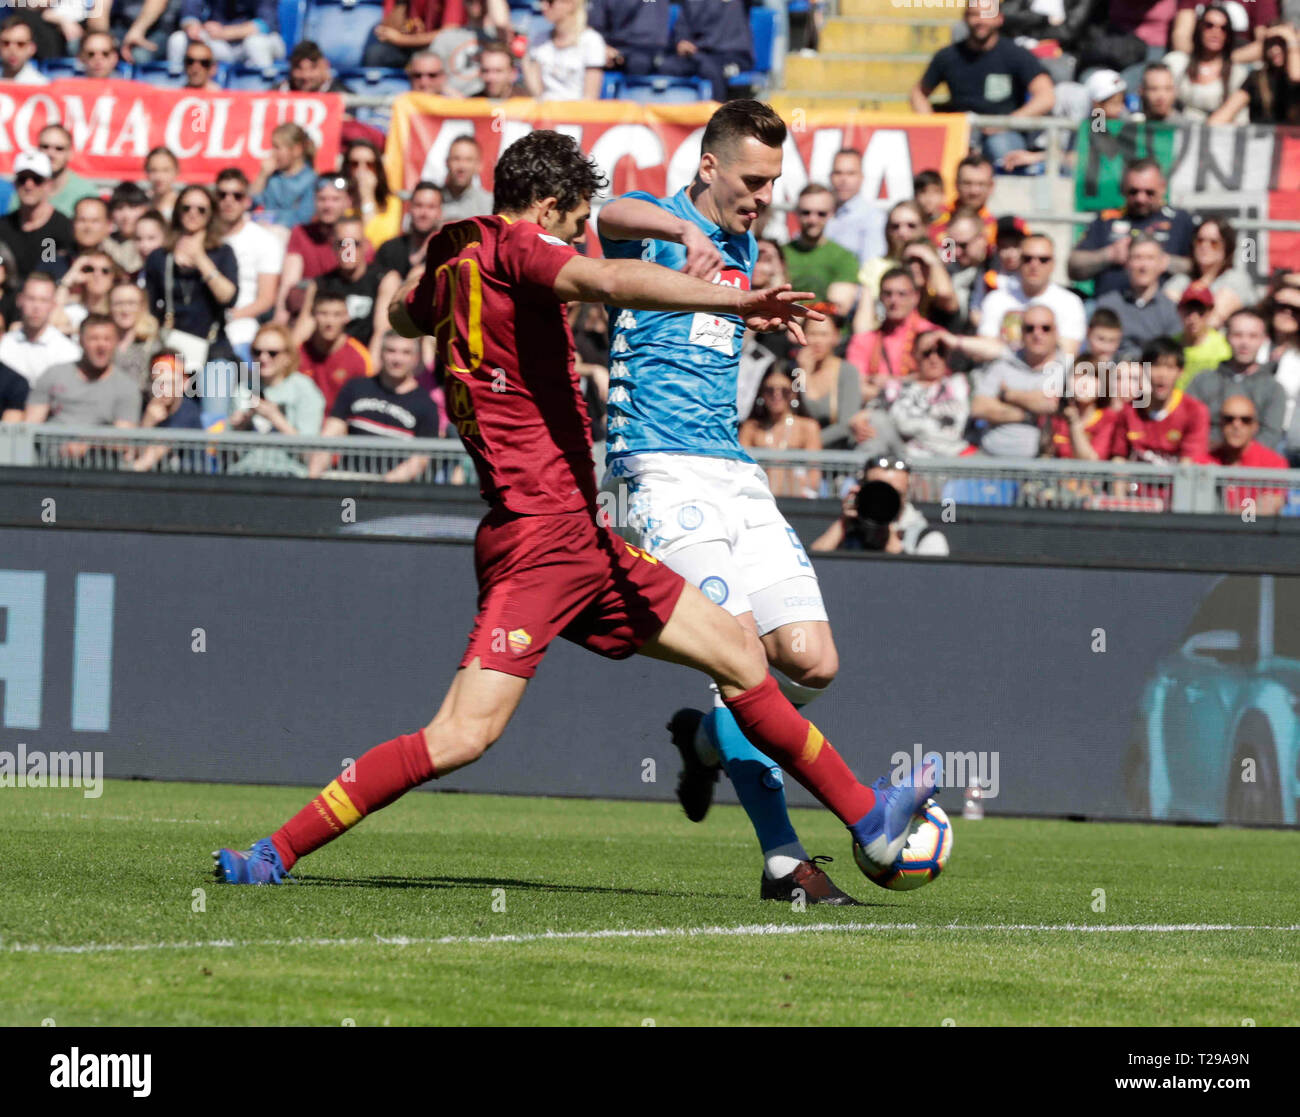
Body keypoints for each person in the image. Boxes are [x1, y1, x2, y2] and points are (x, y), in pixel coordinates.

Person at [214, 128, 939, 889]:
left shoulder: (458, 264)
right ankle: (274, 851)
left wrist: (436, 288)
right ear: (549, 208)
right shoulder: (519, 248)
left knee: (741, 656)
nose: (574, 239)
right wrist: (736, 299)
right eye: (571, 222)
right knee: (461, 734)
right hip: (543, 542)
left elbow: (400, 313)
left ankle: (868, 819)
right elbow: (612, 281)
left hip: (574, 536)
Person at [595, 103, 889, 903]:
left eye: (773, 182)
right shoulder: (656, 224)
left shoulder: (747, 240)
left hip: (733, 470)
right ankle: (785, 861)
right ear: (709, 169)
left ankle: (708, 740)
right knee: (742, 663)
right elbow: (606, 211)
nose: (764, 195)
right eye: (753, 180)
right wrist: (681, 231)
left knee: (813, 660)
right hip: (659, 472)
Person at [910, 2, 1054, 167]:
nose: (980, 20)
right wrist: (932, 126)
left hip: (1004, 133)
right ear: (965, 18)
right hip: (961, 130)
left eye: (986, 15)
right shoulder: (948, 56)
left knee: (1002, 152)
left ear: (999, 19)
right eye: (974, 14)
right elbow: (918, 93)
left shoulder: (1016, 54)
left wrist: (1007, 123)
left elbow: (1046, 96)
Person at [308, 331, 440, 482]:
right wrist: (312, 480)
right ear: (381, 353)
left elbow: (421, 459)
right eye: (391, 351)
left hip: (392, 491)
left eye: (406, 353)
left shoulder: (426, 405)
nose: (397, 359)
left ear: (416, 358)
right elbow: (330, 435)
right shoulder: (355, 387)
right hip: (348, 482)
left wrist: (380, 488)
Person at [1068, 158, 1194, 298]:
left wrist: (1163, 261)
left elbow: (1202, 268)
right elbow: (1073, 267)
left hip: (1162, 312)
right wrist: (1109, 255)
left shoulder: (1180, 220)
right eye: (1133, 192)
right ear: (1123, 188)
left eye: (1149, 192)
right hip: (1107, 312)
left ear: (1163, 187)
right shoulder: (1106, 219)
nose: (1140, 199)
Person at [970, 303, 1065, 458]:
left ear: (1056, 332)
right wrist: (1029, 414)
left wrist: (1008, 395)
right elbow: (979, 407)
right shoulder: (1003, 364)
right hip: (989, 458)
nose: (1037, 334)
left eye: (1045, 328)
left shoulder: (1067, 369)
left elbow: (1052, 405)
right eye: (1030, 328)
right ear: (1021, 332)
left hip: (1041, 465)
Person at [1187, 308, 1287, 446]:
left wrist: (1238, 456)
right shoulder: (1202, 381)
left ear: (1263, 340)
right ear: (1227, 337)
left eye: (1253, 336)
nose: (1244, 343)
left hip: (1253, 464)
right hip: (1206, 461)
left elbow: (1270, 435)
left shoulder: (1273, 389)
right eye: (1238, 335)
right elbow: (1189, 424)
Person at [810, 457, 948, 557]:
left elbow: (926, 584)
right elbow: (813, 565)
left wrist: (886, 533)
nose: (884, 500)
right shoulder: (847, 530)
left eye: (894, 493)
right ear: (862, 489)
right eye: (878, 492)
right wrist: (844, 522)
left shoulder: (927, 539)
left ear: (908, 493)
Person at [24, 315, 140, 431]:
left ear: (116, 343)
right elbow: (30, 426)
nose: (101, 345)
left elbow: (124, 439)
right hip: (49, 447)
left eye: (107, 339)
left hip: (99, 448)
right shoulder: (54, 374)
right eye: (94, 339)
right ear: (80, 341)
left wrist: (87, 442)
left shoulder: (126, 387)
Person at [217, 166, 283, 364]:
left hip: (241, 329)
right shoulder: (203, 237)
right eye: (222, 195)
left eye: (236, 195)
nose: (229, 200)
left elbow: (266, 298)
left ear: (247, 201)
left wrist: (228, 316)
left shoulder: (264, 240)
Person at [978, 233, 1086, 354]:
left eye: (1043, 259)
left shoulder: (1070, 303)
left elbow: (1068, 353)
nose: (1034, 265)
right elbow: (984, 349)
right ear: (1019, 261)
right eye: (1028, 259)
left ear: (1053, 263)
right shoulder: (996, 299)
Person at [1113, 337, 1210, 464]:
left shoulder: (1195, 411)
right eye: (1156, 366)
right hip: (1135, 483)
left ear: (1180, 372)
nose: (1162, 374)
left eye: (1170, 367)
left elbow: (1189, 465)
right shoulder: (1129, 411)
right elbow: (1119, 459)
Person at [297, 217, 384, 349]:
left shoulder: (382, 279)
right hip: (326, 360)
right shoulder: (320, 284)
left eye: (355, 243)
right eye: (342, 244)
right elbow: (302, 331)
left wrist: (368, 367)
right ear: (333, 246)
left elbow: (381, 332)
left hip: (365, 360)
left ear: (366, 246)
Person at [276, 175, 355, 320]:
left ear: (348, 202)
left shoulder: (352, 238)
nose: (328, 205)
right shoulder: (301, 233)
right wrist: (280, 320)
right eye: (322, 199)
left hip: (342, 314)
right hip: (308, 312)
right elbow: (289, 283)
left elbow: (350, 278)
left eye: (335, 199)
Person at [882, 329, 971, 459]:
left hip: (955, 460)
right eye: (927, 353)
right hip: (910, 461)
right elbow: (874, 416)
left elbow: (998, 352)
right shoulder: (896, 388)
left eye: (940, 352)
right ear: (914, 355)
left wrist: (954, 341)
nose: (934, 358)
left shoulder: (962, 383)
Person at [738, 365, 822, 498]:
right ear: (762, 394)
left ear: (794, 393)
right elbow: (741, 469)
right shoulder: (751, 428)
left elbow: (814, 476)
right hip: (759, 499)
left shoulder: (807, 427)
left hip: (797, 499)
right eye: (770, 390)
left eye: (784, 391)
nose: (776, 395)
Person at [846, 268, 938, 388]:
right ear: (880, 297)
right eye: (888, 294)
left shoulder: (934, 336)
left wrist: (890, 383)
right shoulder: (863, 341)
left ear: (916, 297)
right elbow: (854, 387)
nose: (894, 300)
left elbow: (939, 382)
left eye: (902, 294)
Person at [780, 183, 860, 316]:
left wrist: (794, 310)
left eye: (821, 214)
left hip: (827, 332)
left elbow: (838, 308)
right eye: (806, 212)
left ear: (831, 213)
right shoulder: (780, 253)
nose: (813, 219)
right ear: (796, 212)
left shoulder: (844, 257)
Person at [1162, 216, 1256, 329]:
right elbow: (1164, 315)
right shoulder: (1181, 280)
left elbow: (1212, 322)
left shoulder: (1236, 280)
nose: (1205, 246)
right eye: (1200, 240)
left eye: (1214, 243)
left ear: (1227, 247)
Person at [1162, 3, 1251, 122]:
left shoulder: (1237, 73)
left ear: (1228, 35)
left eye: (1223, 28)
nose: (1216, 32)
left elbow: (1241, 120)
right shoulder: (1176, 63)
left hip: (1218, 135)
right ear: (1199, 28)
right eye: (1209, 25)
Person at [1096, 235, 1184, 350]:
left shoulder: (1172, 311)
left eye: (1150, 258)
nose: (1143, 266)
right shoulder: (1107, 306)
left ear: (1162, 264)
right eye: (1137, 258)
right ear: (1127, 263)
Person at [791, 308, 861, 450]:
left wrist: (809, 444)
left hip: (834, 453)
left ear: (836, 337)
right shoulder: (796, 370)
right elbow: (795, 408)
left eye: (824, 335)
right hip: (799, 453)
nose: (817, 341)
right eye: (812, 334)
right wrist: (804, 374)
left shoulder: (847, 372)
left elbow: (846, 425)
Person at [1209, 394, 1288, 515]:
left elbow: (1269, 508)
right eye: (1229, 419)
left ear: (1255, 426)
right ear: (1220, 424)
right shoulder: (1205, 460)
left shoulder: (1273, 463)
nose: (1236, 425)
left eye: (1245, 420)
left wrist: (1224, 517)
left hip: (1255, 532)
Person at [854, 200, 926, 332]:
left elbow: (947, 297)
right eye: (895, 226)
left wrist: (931, 261)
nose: (902, 232)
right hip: (883, 336)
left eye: (911, 226)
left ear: (924, 228)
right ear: (887, 230)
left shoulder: (933, 262)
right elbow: (864, 317)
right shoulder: (874, 266)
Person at [664, 0, 754, 103]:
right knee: (666, 67)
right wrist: (681, 42)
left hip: (732, 54)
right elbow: (682, 27)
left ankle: (717, 115)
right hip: (697, 54)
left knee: (711, 70)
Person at [129, 352, 206, 473]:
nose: (163, 390)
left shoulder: (188, 412)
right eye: (158, 383)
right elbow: (133, 453)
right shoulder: (146, 408)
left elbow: (147, 460)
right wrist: (147, 422)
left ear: (184, 383)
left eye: (170, 383)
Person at [929, 153, 1021, 253]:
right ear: (956, 184)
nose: (974, 191)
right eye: (967, 183)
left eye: (981, 184)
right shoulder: (934, 220)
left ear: (991, 186)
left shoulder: (1003, 227)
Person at [298, 292, 375, 410]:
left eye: (337, 315)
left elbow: (366, 401)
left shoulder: (359, 357)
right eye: (323, 314)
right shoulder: (298, 352)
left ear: (347, 317)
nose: (329, 322)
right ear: (313, 315)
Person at [0, 152, 73, 277]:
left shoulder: (63, 227)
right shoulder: (3, 226)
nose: (29, 185)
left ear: (49, 184)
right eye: (23, 179)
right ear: (15, 183)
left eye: (37, 179)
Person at [0, 272, 81, 384]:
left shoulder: (68, 353)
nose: (36, 307)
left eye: (44, 300)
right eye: (31, 299)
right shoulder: (4, 345)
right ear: (19, 300)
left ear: (53, 304)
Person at [1212, 25, 1300, 124]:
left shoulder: (1295, 77)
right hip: (1264, 136)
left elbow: (1295, 76)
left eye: (1282, 43)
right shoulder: (1257, 78)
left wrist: (1291, 39)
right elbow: (1225, 113)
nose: (1275, 50)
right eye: (1270, 44)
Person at [167, 0, 285, 73]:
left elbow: (265, 24)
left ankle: (265, 94)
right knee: (179, 40)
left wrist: (225, 32)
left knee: (255, 44)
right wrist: (193, 26)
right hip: (222, 44)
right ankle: (174, 94)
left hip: (263, 41)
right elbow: (190, 12)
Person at [523, 0, 605, 101]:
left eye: (550, 2)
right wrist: (524, 59)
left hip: (576, 112)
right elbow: (536, 93)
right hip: (545, 112)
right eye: (541, 1)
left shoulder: (591, 41)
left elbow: (590, 97)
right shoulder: (539, 39)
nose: (543, 6)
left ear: (570, 4)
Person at [1045, 361, 1119, 460]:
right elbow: (1045, 455)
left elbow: (1091, 462)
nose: (1083, 383)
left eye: (1091, 377)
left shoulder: (1108, 418)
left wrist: (1074, 422)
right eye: (1078, 376)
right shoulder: (1057, 417)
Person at [362, 0, 465, 69]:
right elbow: (387, 30)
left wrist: (401, 39)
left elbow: (450, 33)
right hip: (409, 48)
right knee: (376, 53)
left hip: (441, 49)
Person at [251, 123, 318, 230]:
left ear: (296, 150)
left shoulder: (311, 180)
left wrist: (271, 218)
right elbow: (249, 204)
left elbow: (304, 218)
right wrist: (262, 175)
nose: (273, 153)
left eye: (277, 148)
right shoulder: (273, 177)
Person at [340, 140, 401, 249]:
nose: (362, 170)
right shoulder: (340, 202)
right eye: (355, 164)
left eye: (369, 165)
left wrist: (367, 198)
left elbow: (379, 241)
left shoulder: (392, 203)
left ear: (377, 169)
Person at [589, 0, 673, 78]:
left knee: (639, 62)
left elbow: (655, 40)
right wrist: (602, 48)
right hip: (612, 50)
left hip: (646, 52)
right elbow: (593, 27)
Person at [1174, 283, 1233, 389]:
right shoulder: (1171, 346)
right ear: (1179, 310)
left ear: (1210, 311)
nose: (1193, 318)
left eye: (1200, 311)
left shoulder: (1223, 348)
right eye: (1188, 310)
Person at [109, 280, 160, 397]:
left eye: (131, 303)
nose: (125, 310)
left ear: (142, 307)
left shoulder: (152, 345)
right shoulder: (102, 343)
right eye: (118, 303)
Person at [1264, 282, 1300, 435]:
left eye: (1295, 309)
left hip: (1287, 434)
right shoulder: (1252, 342)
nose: (1287, 312)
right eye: (1281, 306)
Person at [37, 126, 95, 218]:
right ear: (37, 150)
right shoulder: (25, 187)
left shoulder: (85, 192)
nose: (51, 154)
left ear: (70, 153)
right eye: (45, 147)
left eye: (59, 148)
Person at [440, 136, 493, 222]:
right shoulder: (429, 202)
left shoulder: (489, 206)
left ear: (479, 166)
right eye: (456, 159)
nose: (462, 167)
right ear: (447, 162)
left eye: (468, 160)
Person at [0, 17, 47, 84]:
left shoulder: (39, 85)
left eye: (20, 44)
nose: (13, 50)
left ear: (32, 48)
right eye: (6, 43)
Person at [144, 146, 181, 222]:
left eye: (165, 170)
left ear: (176, 172)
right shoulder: (142, 206)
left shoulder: (183, 206)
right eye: (153, 170)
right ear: (146, 172)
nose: (159, 177)